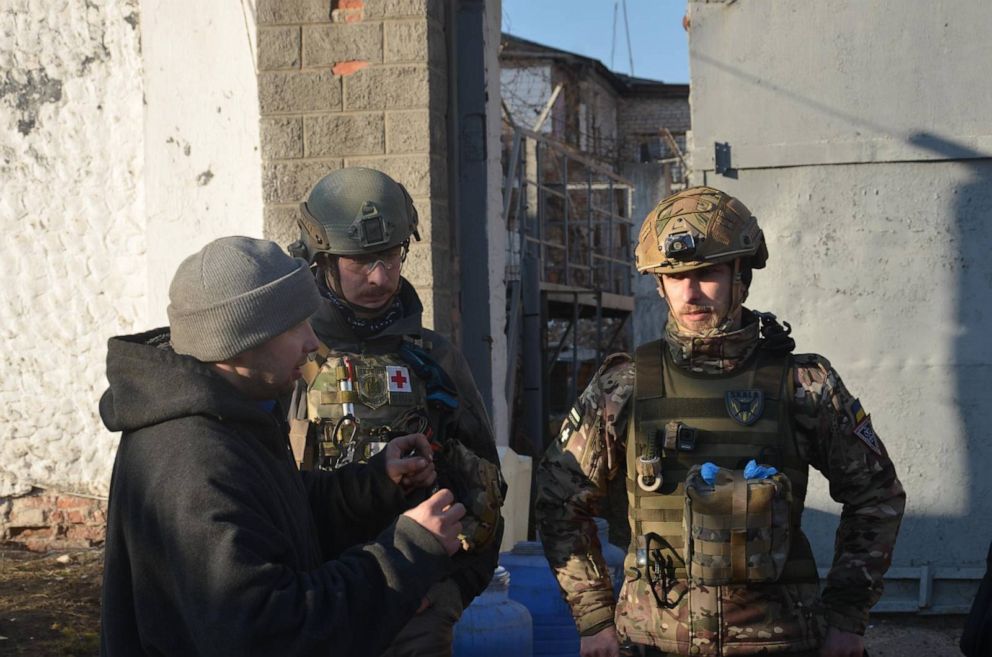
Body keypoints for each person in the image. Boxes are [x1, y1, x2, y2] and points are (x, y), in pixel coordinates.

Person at [535, 187, 906, 657]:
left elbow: (877, 494)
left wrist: (848, 619)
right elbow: (559, 500)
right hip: (652, 643)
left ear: (739, 275)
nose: (690, 293)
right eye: (675, 277)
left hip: (779, 640)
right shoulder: (621, 388)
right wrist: (593, 620)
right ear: (660, 284)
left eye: (706, 273)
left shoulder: (803, 384)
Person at [100, 236, 466, 657]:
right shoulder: (192, 460)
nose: (313, 344)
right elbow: (273, 630)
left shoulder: (232, 414)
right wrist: (408, 550)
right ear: (239, 338)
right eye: (295, 326)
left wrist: (374, 482)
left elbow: (280, 510)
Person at [286, 167, 506, 657]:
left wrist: (448, 589)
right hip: (310, 606)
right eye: (360, 261)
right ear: (318, 258)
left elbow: (483, 489)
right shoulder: (287, 356)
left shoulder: (434, 358)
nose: (381, 277)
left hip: (415, 610)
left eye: (390, 255)